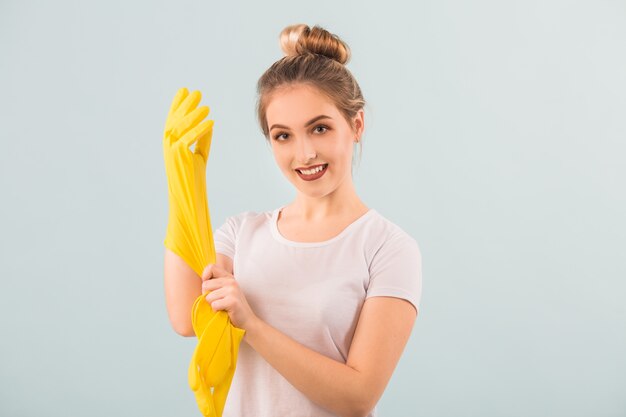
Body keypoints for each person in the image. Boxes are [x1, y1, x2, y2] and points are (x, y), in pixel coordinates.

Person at [164, 23, 422, 417]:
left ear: (356, 125)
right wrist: (184, 187)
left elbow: (358, 396)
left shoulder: (387, 248)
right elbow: (186, 318)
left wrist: (250, 324)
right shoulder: (241, 234)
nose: (304, 154)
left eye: (319, 128)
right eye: (283, 136)